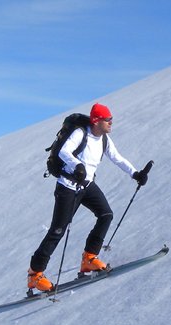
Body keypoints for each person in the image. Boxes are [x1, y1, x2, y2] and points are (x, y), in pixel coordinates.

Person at [27, 103, 151, 293]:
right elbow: (64, 152)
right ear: (96, 121)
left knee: (106, 214)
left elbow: (117, 158)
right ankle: (35, 274)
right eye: (107, 119)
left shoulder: (104, 139)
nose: (111, 122)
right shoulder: (81, 134)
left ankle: (89, 259)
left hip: (86, 186)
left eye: (111, 119)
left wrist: (135, 174)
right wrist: (77, 165)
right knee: (57, 230)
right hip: (67, 187)